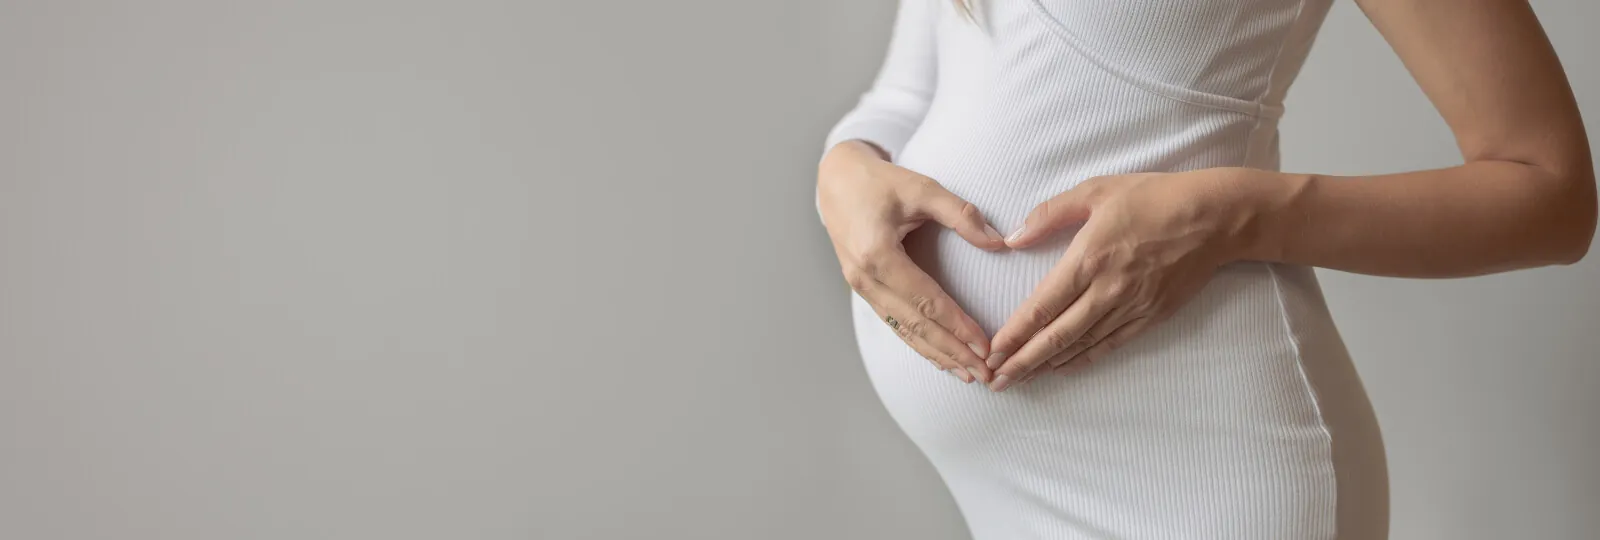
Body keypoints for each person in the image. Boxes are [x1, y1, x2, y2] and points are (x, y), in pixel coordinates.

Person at [813, 0, 1596, 538]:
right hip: (1001, 494)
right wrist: (843, 168)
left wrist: (1236, 215)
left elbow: (1551, 192)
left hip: (1211, 471)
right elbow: (916, 81)